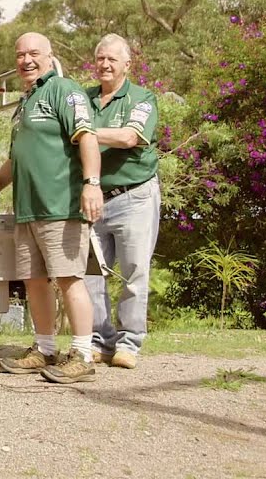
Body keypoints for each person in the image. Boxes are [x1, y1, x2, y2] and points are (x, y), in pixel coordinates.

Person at [0, 32, 103, 384]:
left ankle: (83, 354)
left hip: (61, 207)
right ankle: (44, 349)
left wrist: (92, 184)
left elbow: (87, 137)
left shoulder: (64, 90)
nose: (26, 60)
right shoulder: (26, 101)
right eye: (20, 53)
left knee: (69, 279)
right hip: (28, 209)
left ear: (49, 55)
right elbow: (14, 159)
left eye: (34, 53)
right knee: (34, 281)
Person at [84, 34, 161, 370]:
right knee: (89, 274)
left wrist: (81, 131)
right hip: (93, 197)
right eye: (100, 58)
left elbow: (130, 137)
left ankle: (129, 343)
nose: (105, 64)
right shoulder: (83, 99)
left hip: (134, 197)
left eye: (112, 59)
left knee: (134, 272)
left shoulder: (142, 99)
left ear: (127, 65)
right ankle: (101, 341)